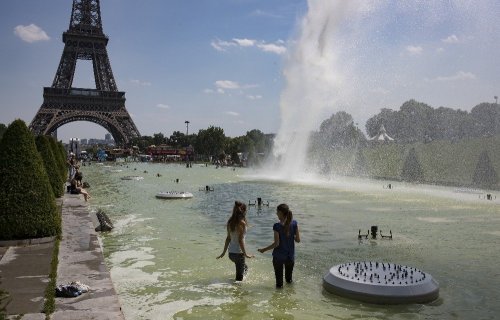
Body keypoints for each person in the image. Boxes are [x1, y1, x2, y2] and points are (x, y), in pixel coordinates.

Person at [258, 203, 301, 288]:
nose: (276, 213)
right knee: (289, 281)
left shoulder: (277, 226)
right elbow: (298, 240)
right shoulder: (294, 223)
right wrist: (291, 235)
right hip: (290, 257)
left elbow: (276, 244)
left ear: (281, 213)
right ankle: (289, 298)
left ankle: (279, 299)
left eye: (277, 212)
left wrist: (264, 249)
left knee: (279, 284)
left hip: (278, 258)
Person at [217, 201, 254, 281]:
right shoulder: (242, 223)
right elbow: (240, 240)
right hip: (239, 254)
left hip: (231, 254)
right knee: (239, 280)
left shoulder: (230, 222)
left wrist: (223, 252)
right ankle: (236, 291)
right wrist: (246, 254)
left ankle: (235, 289)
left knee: (245, 268)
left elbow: (228, 238)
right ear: (244, 211)